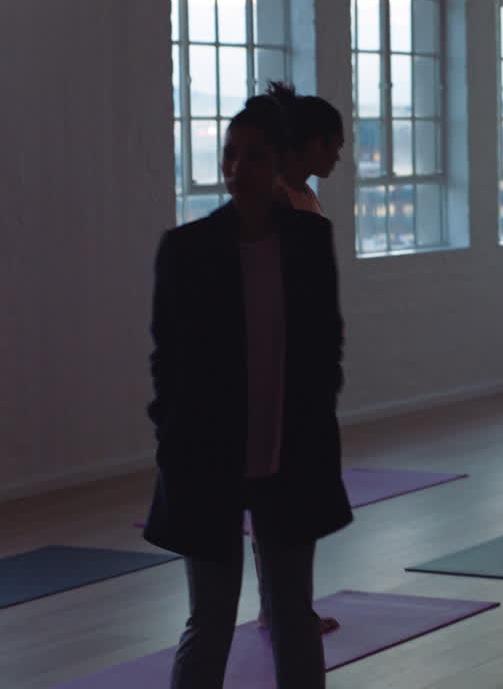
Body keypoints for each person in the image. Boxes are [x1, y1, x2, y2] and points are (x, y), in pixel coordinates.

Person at [143, 94, 352, 688]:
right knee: (210, 619)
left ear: (280, 162)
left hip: (289, 459)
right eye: (229, 156)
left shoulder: (310, 242)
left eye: (253, 158)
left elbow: (324, 346)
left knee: (291, 615)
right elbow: (167, 359)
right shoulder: (185, 250)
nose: (237, 170)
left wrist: (315, 423)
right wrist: (172, 436)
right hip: (206, 463)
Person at [254, 81, 345, 636]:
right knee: (284, 504)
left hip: (304, 376)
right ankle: (284, 609)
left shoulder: (305, 197)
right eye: (333, 144)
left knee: (296, 504)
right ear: (310, 144)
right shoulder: (279, 203)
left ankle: (286, 606)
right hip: (282, 380)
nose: (338, 155)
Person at [265, 81, 344, 217]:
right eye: (334, 147)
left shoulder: (304, 193)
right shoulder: (280, 197)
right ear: (314, 144)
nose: (337, 157)